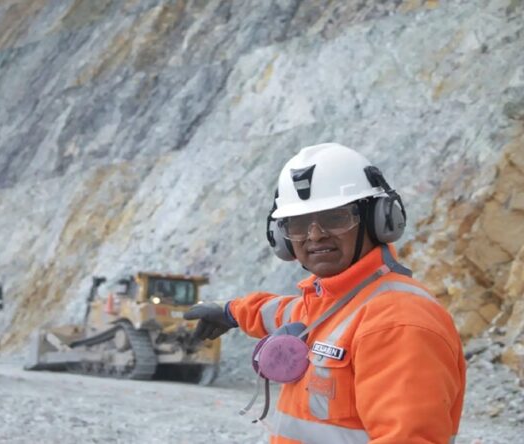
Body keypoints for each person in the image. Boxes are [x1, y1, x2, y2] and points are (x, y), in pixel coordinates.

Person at [184, 143, 465, 444]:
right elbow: (283, 312)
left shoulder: (397, 323)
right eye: (298, 224)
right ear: (282, 237)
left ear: (377, 220)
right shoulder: (332, 303)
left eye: (335, 218)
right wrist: (231, 312)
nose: (315, 235)